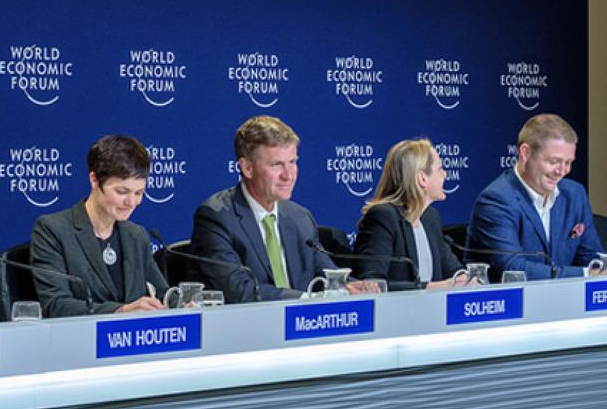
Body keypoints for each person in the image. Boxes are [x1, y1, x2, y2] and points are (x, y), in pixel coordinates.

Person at [191, 115, 367, 302]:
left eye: (292, 162)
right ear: (247, 168)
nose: (288, 175)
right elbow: (239, 290)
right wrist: (307, 299)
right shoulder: (217, 217)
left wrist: (348, 287)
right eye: (277, 165)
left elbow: (325, 274)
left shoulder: (299, 217)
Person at [30, 135, 168, 317]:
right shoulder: (53, 230)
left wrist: (183, 303)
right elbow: (56, 305)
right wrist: (120, 311)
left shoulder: (136, 235)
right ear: (94, 180)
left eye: (139, 192)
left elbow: (161, 292)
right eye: (122, 191)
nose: (131, 202)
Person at [468, 113, 604, 280]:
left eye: (568, 162)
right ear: (525, 153)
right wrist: (585, 274)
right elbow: (513, 270)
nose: (562, 171)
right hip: (513, 303)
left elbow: (593, 259)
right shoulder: (496, 200)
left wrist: (598, 270)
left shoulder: (575, 194)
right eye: (554, 161)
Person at [353, 139, 465, 290]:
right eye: (440, 169)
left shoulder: (430, 217)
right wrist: (436, 287)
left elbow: (453, 269)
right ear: (422, 178)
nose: (445, 174)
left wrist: (466, 278)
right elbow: (373, 285)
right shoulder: (383, 217)